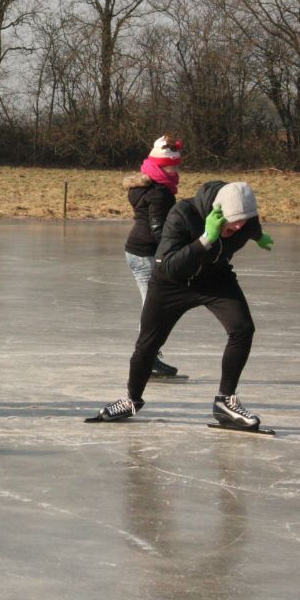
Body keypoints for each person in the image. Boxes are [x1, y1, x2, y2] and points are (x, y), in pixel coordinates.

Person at [92, 180, 274, 428]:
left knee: (242, 329)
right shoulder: (182, 215)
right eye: (234, 220)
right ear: (218, 211)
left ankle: (225, 402)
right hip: (171, 283)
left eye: (244, 220)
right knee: (148, 343)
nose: (239, 226)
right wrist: (205, 239)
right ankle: (131, 400)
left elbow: (251, 226)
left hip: (214, 277)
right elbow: (169, 265)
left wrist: (259, 236)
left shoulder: (246, 221)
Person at [123, 135, 181, 378]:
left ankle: (149, 356)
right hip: (146, 253)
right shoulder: (160, 193)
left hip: (135, 250)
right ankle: (148, 359)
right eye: (172, 166)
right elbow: (158, 228)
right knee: (153, 308)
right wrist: (170, 253)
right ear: (161, 166)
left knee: (152, 306)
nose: (176, 170)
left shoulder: (143, 187)